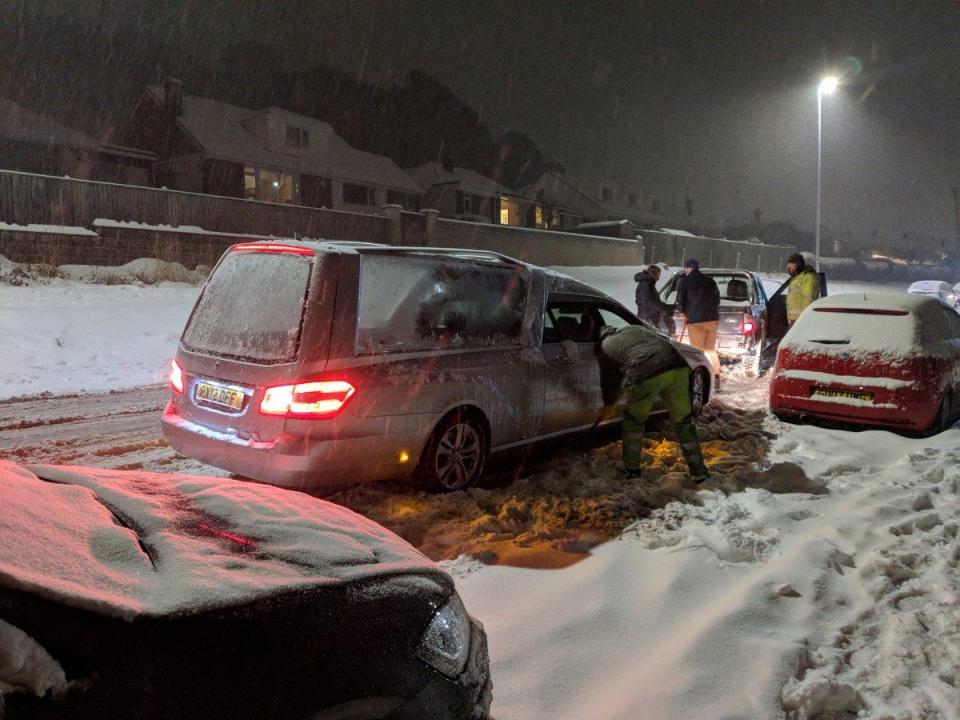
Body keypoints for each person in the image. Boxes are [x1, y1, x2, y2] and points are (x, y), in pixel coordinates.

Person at [598, 324, 709, 482]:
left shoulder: (605, 347)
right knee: (684, 421)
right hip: (678, 368)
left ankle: (632, 470)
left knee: (634, 421)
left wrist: (609, 403)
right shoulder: (634, 329)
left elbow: (610, 381)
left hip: (647, 374)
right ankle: (699, 471)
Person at [675, 258, 720, 378]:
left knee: (697, 351)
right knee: (710, 350)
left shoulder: (685, 281)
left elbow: (680, 301)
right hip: (713, 320)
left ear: (688, 268)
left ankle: (700, 378)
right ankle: (716, 377)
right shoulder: (710, 281)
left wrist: (684, 312)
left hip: (696, 321)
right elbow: (717, 300)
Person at [633, 264, 675, 335]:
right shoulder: (645, 284)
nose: (659, 277)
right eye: (658, 275)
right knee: (651, 337)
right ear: (653, 273)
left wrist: (668, 307)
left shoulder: (649, 283)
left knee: (664, 334)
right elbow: (647, 302)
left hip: (651, 316)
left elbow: (654, 300)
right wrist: (663, 308)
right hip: (647, 318)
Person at [786, 253, 820, 324]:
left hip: (801, 319)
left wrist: (805, 318)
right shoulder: (797, 278)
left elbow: (808, 298)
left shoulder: (807, 277)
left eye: (791, 264)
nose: (789, 268)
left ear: (798, 265)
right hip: (795, 318)